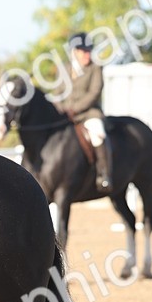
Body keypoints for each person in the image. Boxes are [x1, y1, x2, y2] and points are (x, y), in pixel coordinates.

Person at [60, 32, 112, 191]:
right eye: (84, 51)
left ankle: (104, 174)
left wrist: (74, 109)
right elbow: (57, 93)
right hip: (65, 114)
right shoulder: (65, 69)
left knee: (97, 133)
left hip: (89, 113)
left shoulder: (95, 68)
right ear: (74, 52)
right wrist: (60, 108)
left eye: (89, 50)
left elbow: (94, 93)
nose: (87, 54)